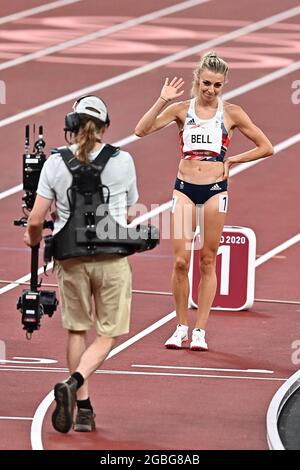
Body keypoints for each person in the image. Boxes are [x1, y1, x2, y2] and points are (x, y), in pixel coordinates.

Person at [135, 51, 273, 351]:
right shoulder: (182, 110)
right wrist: (162, 100)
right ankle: (180, 327)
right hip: (184, 189)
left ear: (224, 86)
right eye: (206, 83)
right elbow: (140, 130)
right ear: (197, 80)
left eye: (217, 85)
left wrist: (232, 160)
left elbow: (266, 147)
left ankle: (200, 331)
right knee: (181, 261)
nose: (211, 90)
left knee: (208, 260)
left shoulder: (232, 113)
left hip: (214, 191)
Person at [24, 95, 139, 433]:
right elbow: (130, 211)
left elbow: (35, 220)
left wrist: (33, 240)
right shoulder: (124, 161)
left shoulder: (54, 164)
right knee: (108, 333)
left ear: (71, 125)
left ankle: (84, 408)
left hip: (70, 258)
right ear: (105, 127)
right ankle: (73, 384)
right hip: (111, 259)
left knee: (77, 330)